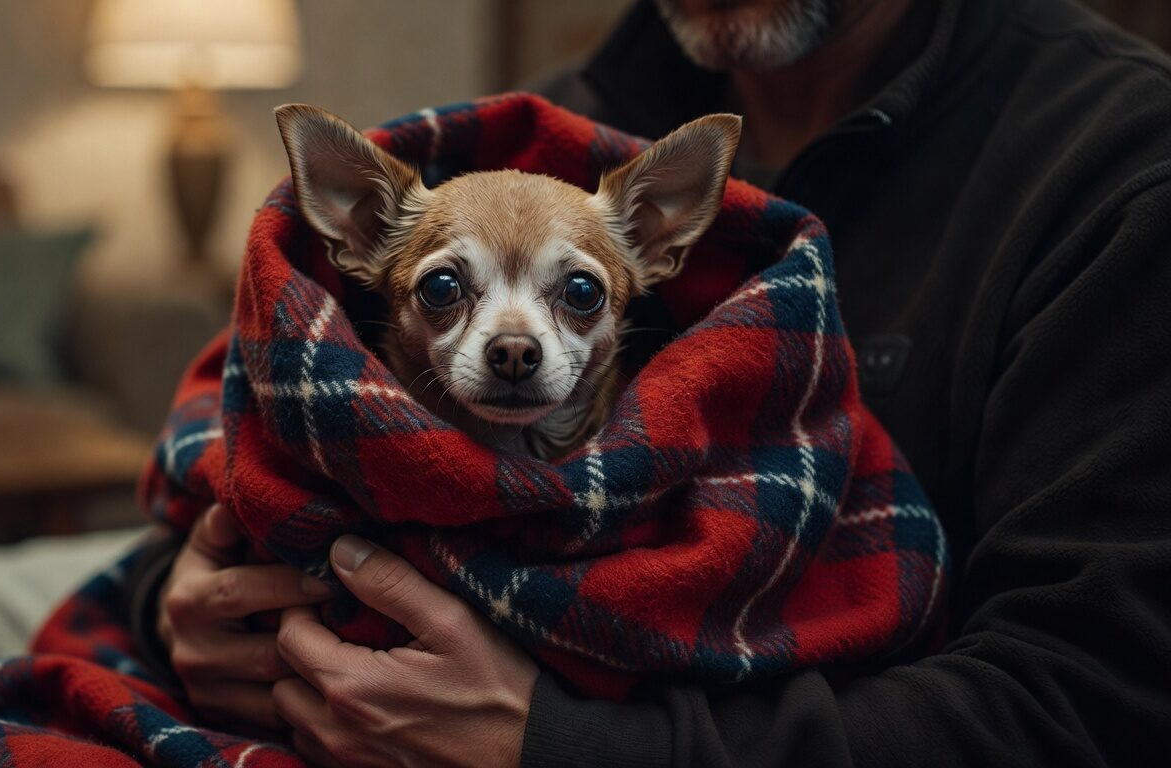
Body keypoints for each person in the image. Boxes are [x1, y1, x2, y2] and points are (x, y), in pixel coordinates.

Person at [134, 0, 1171, 764]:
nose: (512, 343)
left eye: (578, 296)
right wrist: (182, 604)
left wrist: (567, 745)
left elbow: (1094, 704)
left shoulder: (1118, 167)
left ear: (661, 236)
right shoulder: (553, 122)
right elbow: (240, 458)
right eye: (448, 291)